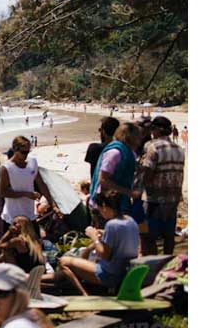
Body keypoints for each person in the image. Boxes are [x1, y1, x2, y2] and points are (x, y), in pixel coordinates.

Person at [58, 192, 140, 295]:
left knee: (63, 261)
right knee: (75, 264)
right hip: (124, 270)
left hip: (109, 274)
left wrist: (93, 236)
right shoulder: (130, 220)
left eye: (99, 209)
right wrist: (103, 234)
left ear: (104, 206)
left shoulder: (111, 224)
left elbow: (105, 255)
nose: (100, 213)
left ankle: (84, 294)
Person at [138, 116, 186, 255]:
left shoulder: (153, 147)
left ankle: (153, 265)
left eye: (153, 129)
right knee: (169, 235)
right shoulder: (179, 149)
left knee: (148, 235)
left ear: (157, 130)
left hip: (155, 199)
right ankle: (168, 261)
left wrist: (140, 188)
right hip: (173, 197)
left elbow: (147, 172)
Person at [0, 136, 59, 230]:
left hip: (30, 215)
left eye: (28, 152)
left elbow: (41, 184)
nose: (26, 155)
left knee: (36, 243)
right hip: (12, 217)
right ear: (15, 149)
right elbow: (3, 192)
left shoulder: (32, 163)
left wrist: (53, 204)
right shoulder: (6, 168)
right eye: (23, 152)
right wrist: (26, 194)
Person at [89, 122, 141, 226]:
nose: (140, 140)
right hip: (105, 205)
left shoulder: (130, 153)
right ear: (129, 137)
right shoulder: (115, 153)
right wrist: (128, 192)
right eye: (138, 136)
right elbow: (103, 180)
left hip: (119, 201)